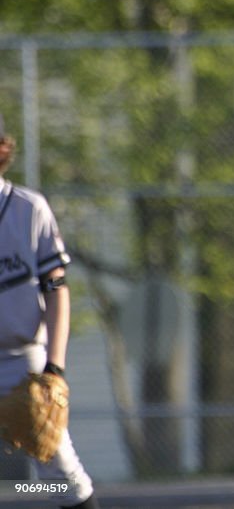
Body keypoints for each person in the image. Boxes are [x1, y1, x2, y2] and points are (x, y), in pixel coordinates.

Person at [0, 113, 99, 509]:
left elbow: (56, 289)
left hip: (22, 362)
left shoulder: (27, 209)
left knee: (61, 479)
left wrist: (54, 368)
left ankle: (22, 497)